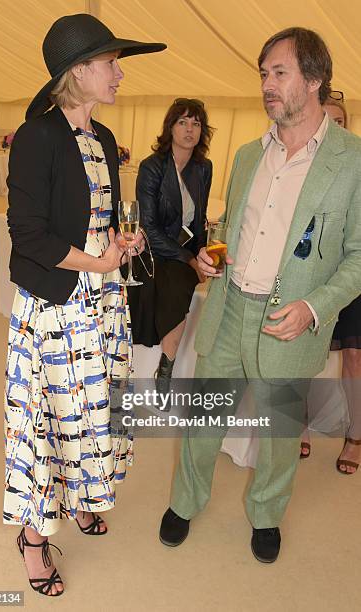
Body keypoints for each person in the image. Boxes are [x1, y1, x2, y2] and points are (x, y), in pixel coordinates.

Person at [159, 27, 361, 563]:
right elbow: (231, 225)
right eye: (263, 75)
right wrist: (209, 255)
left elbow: (359, 255)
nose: (267, 85)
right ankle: (184, 502)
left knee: (278, 436)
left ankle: (267, 516)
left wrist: (316, 306)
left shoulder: (354, 160)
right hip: (229, 307)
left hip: (290, 321)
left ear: (314, 80)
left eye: (279, 73)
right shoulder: (249, 153)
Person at [4, 13, 165, 597]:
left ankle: (83, 495)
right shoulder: (37, 137)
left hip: (102, 301)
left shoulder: (101, 139)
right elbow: (30, 235)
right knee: (44, 424)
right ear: (78, 72)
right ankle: (33, 539)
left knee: (95, 412)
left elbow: (95, 219)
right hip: (55, 308)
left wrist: (120, 243)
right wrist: (98, 261)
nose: (120, 74)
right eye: (110, 63)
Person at [128, 98, 213, 391]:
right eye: (183, 122)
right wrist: (189, 260)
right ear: (170, 127)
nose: (190, 129)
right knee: (174, 285)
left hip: (186, 250)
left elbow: (199, 218)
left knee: (179, 283)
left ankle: (166, 366)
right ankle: (166, 371)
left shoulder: (203, 168)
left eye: (196, 123)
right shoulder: (152, 167)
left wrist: (202, 254)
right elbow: (148, 227)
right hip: (154, 249)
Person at [300, 93, 361, 473]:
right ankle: (299, 426)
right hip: (312, 275)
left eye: (341, 122)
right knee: (304, 358)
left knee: (355, 358)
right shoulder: (303, 162)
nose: (335, 127)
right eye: (330, 121)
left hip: (352, 276)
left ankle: (355, 435)